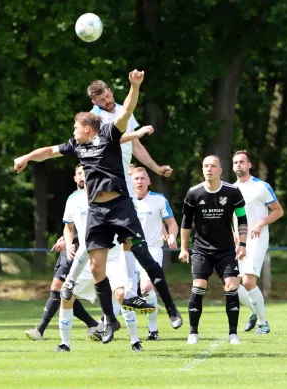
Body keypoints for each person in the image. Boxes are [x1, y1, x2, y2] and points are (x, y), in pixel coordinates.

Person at [14, 69, 182, 344]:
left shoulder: (109, 135)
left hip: (120, 206)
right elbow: (48, 151)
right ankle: (110, 321)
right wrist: (26, 157)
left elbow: (126, 111)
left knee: (144, 258)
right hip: (97, 212)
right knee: (95, 269)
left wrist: (134, 86)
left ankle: (172, 309)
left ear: (87, 129)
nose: (73, 132)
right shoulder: (77, 146)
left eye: (75, 128)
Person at [85, 79, 173, 305]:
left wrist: (156, 168)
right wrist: (138, 133)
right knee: (102, 251)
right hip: (105, 184)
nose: (107, 101)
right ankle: (78, 288)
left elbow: (135, 146)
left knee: (130, 239)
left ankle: (129, 291)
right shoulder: (93, 119)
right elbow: (112, 139)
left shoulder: (124, 113)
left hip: (125, 184)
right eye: (101, 100)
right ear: (94, 102)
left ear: (111, 91)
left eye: (107, 96)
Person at [55, 166, 144, 352]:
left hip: (111, 257)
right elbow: (68, 226)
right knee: (67, 297)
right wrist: (70, 243)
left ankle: (135, 341)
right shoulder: (74, 200)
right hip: (85, 258)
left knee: (121, 295)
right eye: (84, 174)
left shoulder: (112, 198)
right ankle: (64, 344)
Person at [25, 165, 100, 341]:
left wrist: (70, 242)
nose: (83, 177)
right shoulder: (73, 198)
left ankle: (41, 330)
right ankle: (93, 324)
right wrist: (65, 240)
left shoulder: (97, 196)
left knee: (60, 290)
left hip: (84, 251)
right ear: (75, 178)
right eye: (80, 174)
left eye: (86, 173)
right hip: (70, 249)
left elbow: (91, 230)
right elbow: (71, 227)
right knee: (62, 291)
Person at [179, 155, 247, 345]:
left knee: (232, 287)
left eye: (213, 166)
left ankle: (233, 334)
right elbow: (186, 222)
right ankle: (193, 333)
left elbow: (242, 218)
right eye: (205, 166)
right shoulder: (193, 193)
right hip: (201, 250)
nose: (209, 169)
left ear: (220, 170)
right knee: (198, 287)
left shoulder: (233, 192)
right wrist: (184, 248)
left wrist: (242, 244)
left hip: (226, 250)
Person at [231, 150, 284, 334]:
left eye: (242, 162)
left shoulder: (261, 186)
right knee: (231, 283)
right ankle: (254, 311)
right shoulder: (230, 189)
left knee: (248, 281)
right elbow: (230, 218)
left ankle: (263, 323)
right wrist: (233, 233)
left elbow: (278, 211)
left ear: (249, 165)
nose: (239, 165)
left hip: (256, 239)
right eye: (236, 162)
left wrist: (261, 223)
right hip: (238, 242)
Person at [130, 165, 179, 341]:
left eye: (143, 178)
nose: (139, 181)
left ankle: (153, 330)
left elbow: (172, 223)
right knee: (125, 292)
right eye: (136, 178)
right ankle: (119, 328)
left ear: (149, 182)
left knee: (146, 287)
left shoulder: (158, 199)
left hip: (152, 248)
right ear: (131, 182)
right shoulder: (126, 201)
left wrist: (172, 235)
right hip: (128, 250)